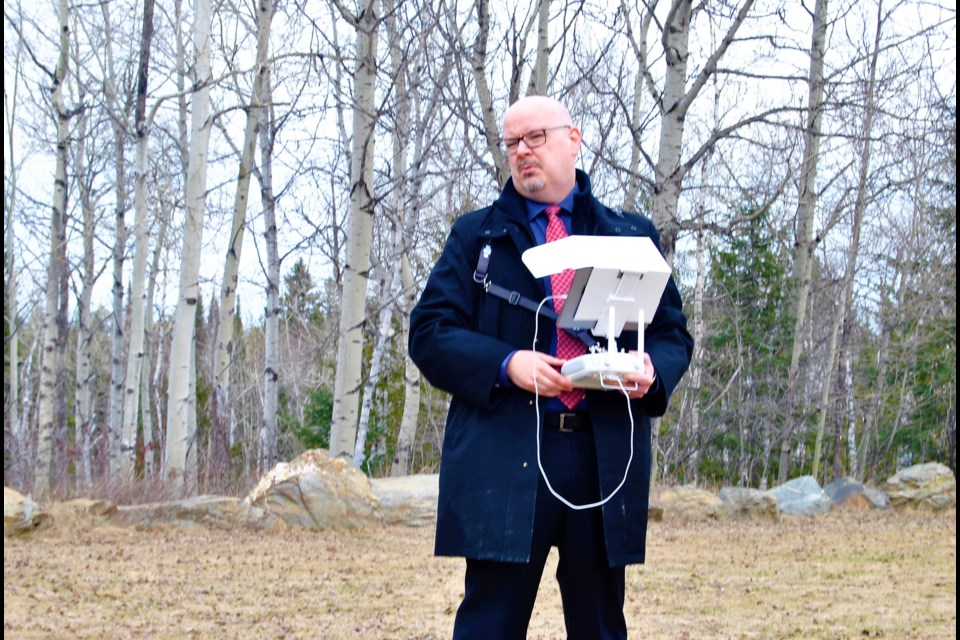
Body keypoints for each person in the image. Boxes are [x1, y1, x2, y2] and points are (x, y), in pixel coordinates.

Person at [408, 95, 693, 639]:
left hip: (602, 454)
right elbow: (429, 333)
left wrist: (651, 370)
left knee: (601, 628)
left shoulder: (629, 235)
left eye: (535, 137)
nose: (522, 152)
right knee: (489, 627)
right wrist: (507, 363)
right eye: (512, 143)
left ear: (573, 138)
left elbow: (671, 333)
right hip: (507, 456)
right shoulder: (476, 238)